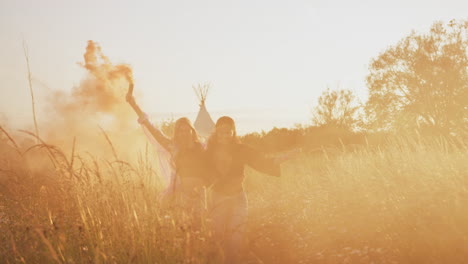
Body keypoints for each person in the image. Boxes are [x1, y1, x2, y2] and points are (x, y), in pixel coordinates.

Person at [205, 116, 298, 263]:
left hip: (238, 198)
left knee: (235, 240)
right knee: (217, 238)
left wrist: (284, 157)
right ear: (216, 132)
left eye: (228, 132)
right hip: (219, 198)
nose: (225, 135)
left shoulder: (241, 149)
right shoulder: (209, 151)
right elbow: (197, 167)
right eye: (221, 132)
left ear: (233, 133)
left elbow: (261, 160)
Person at [126, 86, 210, 216]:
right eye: (180, 130)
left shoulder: (201, 147)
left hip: (198, 193)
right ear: (177, 132)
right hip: (180, 192)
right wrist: (134, 105)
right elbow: (154, 130)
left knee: (199, 224)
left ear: (192, 131)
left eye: (187, 130)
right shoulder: (173, 147)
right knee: (182, 225)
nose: (184, 133)